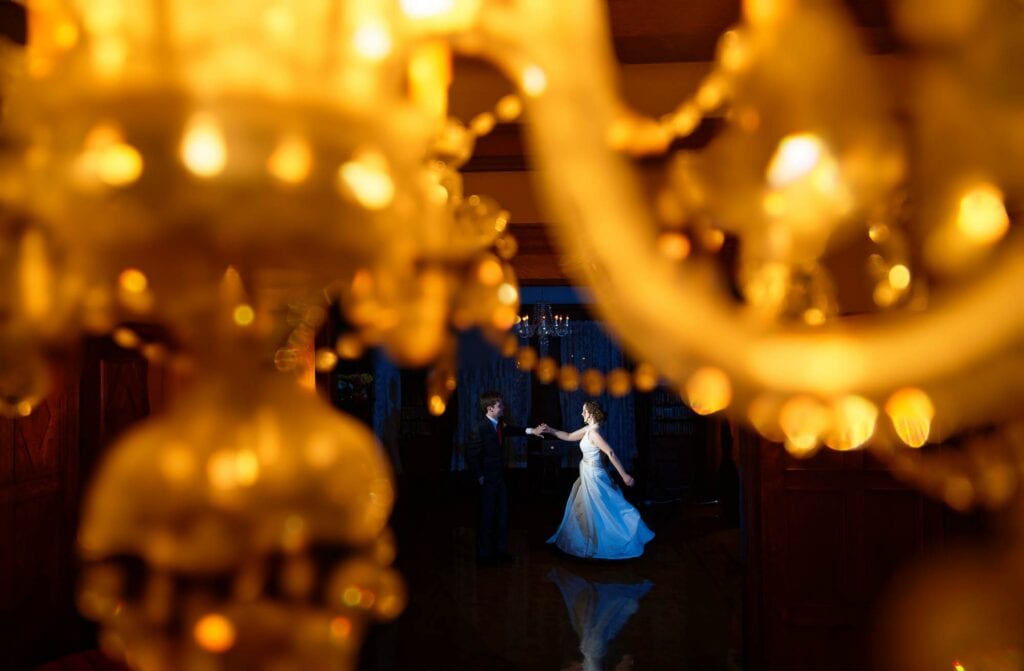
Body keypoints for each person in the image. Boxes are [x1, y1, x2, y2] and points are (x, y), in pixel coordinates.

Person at [543, 400, 654, 559]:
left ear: (591, 413)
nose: (582, 414)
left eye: (584, 411)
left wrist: (624, 475)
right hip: (588, 472)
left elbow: (610, 453)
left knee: (603, 508)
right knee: (591, 509)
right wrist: (550, 430)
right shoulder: (589, 429)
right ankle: (589, 542)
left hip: (594, 475)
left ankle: (607, 541)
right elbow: (568, 436)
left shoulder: (594, 432)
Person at [466, 390, 545, 565]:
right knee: (486, 517)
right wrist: (479, 476)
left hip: (500, 478)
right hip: (486, 479)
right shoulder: (479, 428)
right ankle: (483, 556)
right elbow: (471, 455)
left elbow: (513, 430)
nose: (503, 407)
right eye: (500, 405)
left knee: (502, 515)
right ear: (490, 408)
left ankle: (500, 552)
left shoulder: (500, 424)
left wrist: (532, 431)